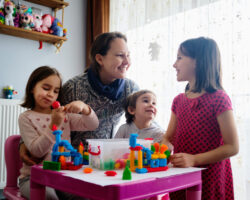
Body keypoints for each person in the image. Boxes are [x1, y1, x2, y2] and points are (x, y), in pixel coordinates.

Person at [19, 32, 139, 165]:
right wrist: (23, 143)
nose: (127, 62)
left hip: (108, 159)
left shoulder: (131, 89)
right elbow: (46, 116)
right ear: (100, 59)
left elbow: (144, 120)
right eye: (120, 55)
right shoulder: (73, 87)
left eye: (128, 55)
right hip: (73, 159)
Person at [162, 37, 239, 200]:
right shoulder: (178, 100)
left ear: (198, 61)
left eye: (179, 58)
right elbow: (169, 137)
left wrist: (194, 159)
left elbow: (232, 146)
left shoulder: (219, 99)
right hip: (181, 177)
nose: (174, 64)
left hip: (210, 180)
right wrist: (162, 151)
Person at [18, 66, 99, 200]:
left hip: (62, 176)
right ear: (32, 88)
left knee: (84, 196)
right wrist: (54, 124)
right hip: (34, 178)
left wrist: (84, 108)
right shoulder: (25, 118)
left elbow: (93, 125)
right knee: (50, 198)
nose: (51, 94)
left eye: (55, 91)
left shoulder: (64, 115)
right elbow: (37, 151)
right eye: (46, 88)